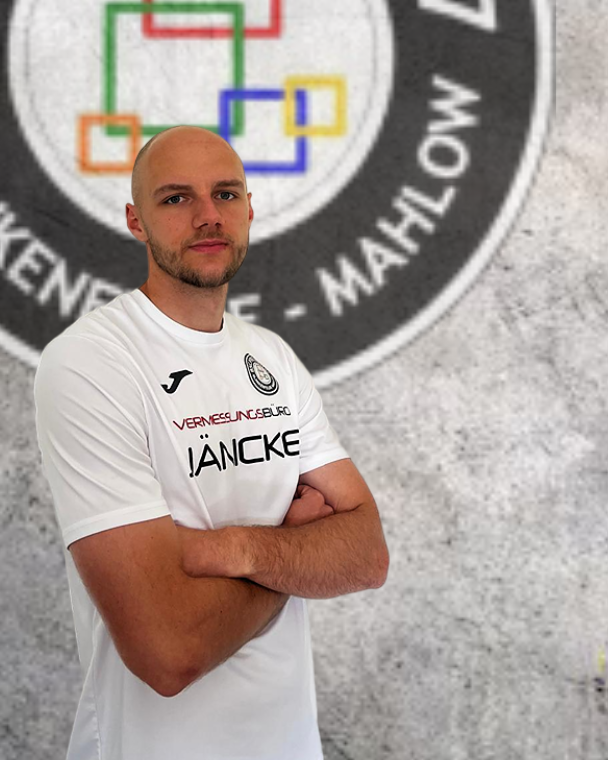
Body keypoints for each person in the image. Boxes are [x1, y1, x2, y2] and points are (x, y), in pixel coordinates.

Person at [33, 125, 388, 760]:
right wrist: (295, 551)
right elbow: (170, 653)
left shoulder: (272, 358)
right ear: (136, 222)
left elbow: (366, 556)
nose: (207, 216)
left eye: (225, 194)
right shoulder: (92, 362)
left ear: (249, 208)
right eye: (175, 199)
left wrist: (225, 549)